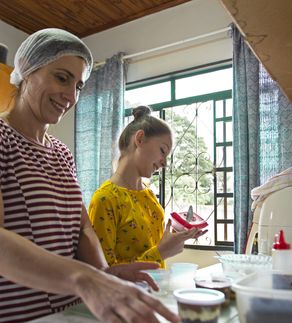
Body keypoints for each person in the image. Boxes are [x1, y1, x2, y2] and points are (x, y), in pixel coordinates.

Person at [0, 29, 179, 323]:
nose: (71, 95)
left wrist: (104, 274)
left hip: (66, 315)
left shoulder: (62, 153)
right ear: (27, 71)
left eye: (79, 86)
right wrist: (86, 279)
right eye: (62, 77)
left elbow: (82, 229)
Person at [88, 106, 205, 269]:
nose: (164, 163)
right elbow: (104, 272)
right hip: (128, 294)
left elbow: (150, 245)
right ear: (140, 139)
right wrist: (161, 253)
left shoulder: (148, 194)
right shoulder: (105, 200)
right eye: (163, 151)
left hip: (155, 290)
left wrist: (177, 236)